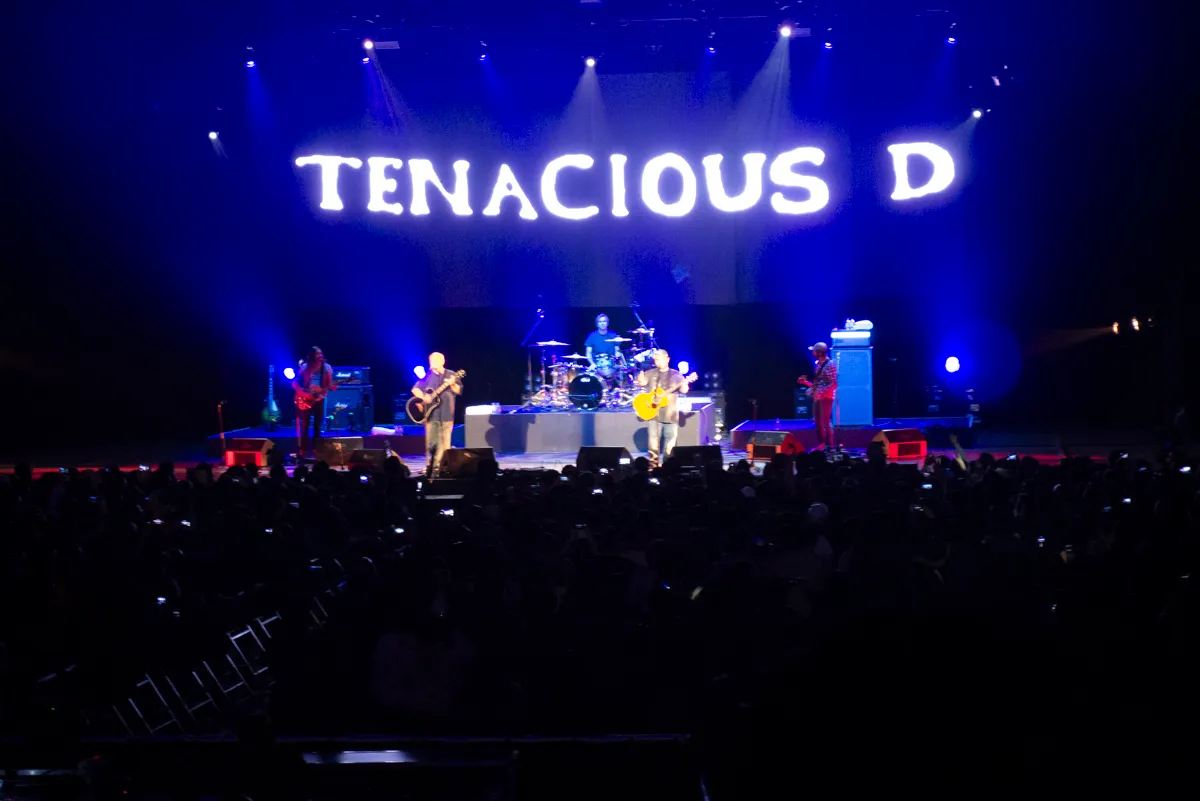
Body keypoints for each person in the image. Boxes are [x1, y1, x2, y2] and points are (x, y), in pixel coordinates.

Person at [412, 352, 463, 478]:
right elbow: (415, 389)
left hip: (447, 414)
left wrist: (452, 383)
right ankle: (430, 467)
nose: (432, 363)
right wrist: (423, 397)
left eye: (435, 360)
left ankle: (444, 467)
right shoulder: (427, 377)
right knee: (431, 443)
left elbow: (458, 390)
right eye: (431, 360)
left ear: (443, 361)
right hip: (431, 415)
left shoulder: (451, 374)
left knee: (446, 443)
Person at [636, 348, 689, 466]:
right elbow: (642, 383)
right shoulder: (651, 373)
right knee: (653, 440)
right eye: (655, 360)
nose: (657, 362)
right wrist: (640, 379)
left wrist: (685, 384)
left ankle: (667, 464)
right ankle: (653, 465)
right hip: (653, 412)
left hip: (670, 413)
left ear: (667, 359)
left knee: (670, 440)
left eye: (659, 359)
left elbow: (684, 390)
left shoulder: (676, 374)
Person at [292, 346, 336, 460]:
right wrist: (304, 394)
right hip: (305, 399)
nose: (320, 356)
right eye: (317, 354)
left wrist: (330, 389)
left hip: (319, 399)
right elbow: (295, 384)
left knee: (317, 425)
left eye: (321, 353)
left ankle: (317, 450)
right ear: (312, 356)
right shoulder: (304, 367)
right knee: (305, 425)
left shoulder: (327, 368)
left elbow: (329, 385)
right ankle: (303, 451)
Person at [799, 342, 838, 450]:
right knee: (817, 422)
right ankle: (823, 444)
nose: (812, 352)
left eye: (814, 351)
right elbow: (819, 384)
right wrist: (806, 383)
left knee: (825, 422)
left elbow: (833, 383)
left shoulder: (830, 364)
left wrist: (821, 392)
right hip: (818, 397)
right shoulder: (819, 364)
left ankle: (830, 446)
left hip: (826, 397)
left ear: (819, 352)